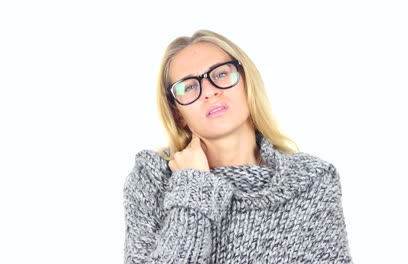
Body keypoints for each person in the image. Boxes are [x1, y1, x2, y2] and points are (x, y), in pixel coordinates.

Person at [123, 29, 353, 263]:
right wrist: (193, 186)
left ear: (246, 81)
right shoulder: (153, 179)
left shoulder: (312, 180)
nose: (210, 91)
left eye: (221, 74)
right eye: (189, 87)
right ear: (177, 112)